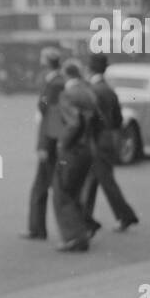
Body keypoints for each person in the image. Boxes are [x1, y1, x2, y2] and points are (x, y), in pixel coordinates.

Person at [81, 54, 139, 232]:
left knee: (101, 182)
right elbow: (118, 119)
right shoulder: (109, 90)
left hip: (96, 140)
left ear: (90, 69)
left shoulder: (91, 90)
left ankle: (124, 216)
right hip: (108, 138)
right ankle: (88, 219)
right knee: (97, 181)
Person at [52, 59, 101, 252]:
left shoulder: (67, 95)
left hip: (73, 150)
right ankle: (82, 231)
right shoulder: (89, 92)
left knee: (63, 194)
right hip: (88, 148)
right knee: (77, 193)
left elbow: (73, 123)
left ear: (66, 74)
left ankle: (74, 237)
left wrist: (62, 143)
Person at [21, 47, 66, 240]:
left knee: (43, 187)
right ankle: (37, 228)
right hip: (53, 139)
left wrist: (42, 146)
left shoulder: (54, 83)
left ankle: (37, 228)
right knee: (50, 187)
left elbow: (46, 110)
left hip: (49, 140)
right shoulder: (58, 81)